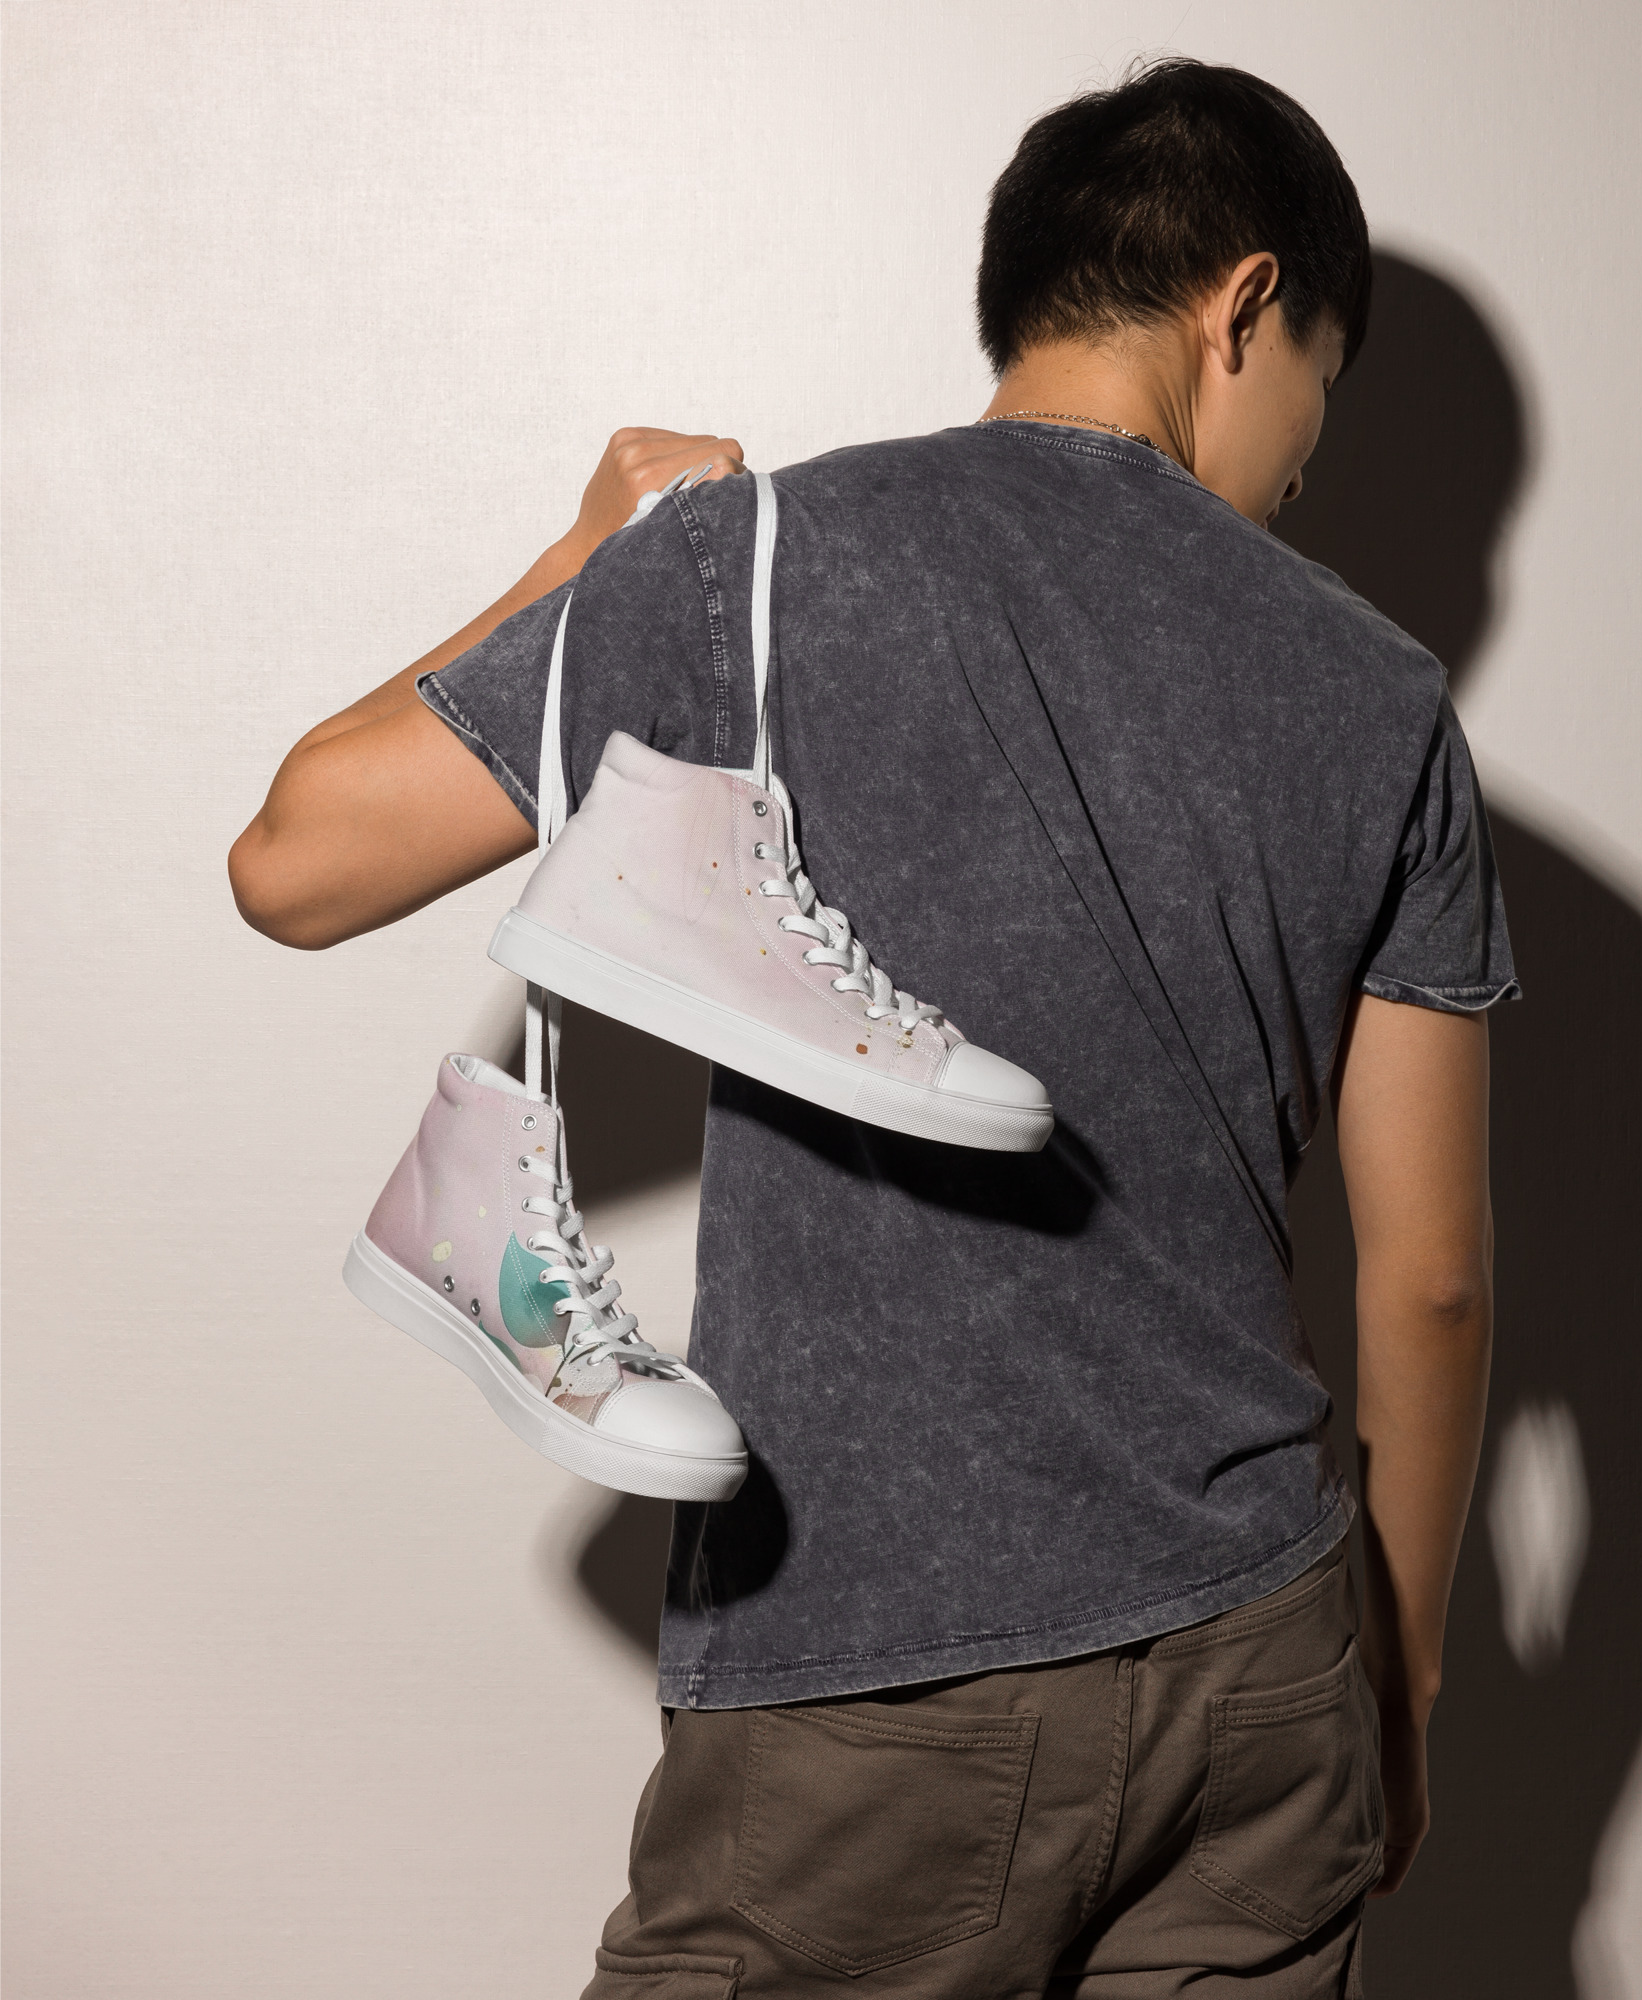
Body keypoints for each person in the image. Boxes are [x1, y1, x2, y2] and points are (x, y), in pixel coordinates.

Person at [230, 56, 1514, 1999]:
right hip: (1258, 1664)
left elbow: (297, 861)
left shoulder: (748, 570)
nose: (1298, 468)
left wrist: (585, 561)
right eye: (1317, 401)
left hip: (868, 1669)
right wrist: (1393, 1680)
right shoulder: (1382, 694)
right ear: (1244, 306)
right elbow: (1430, 1279)